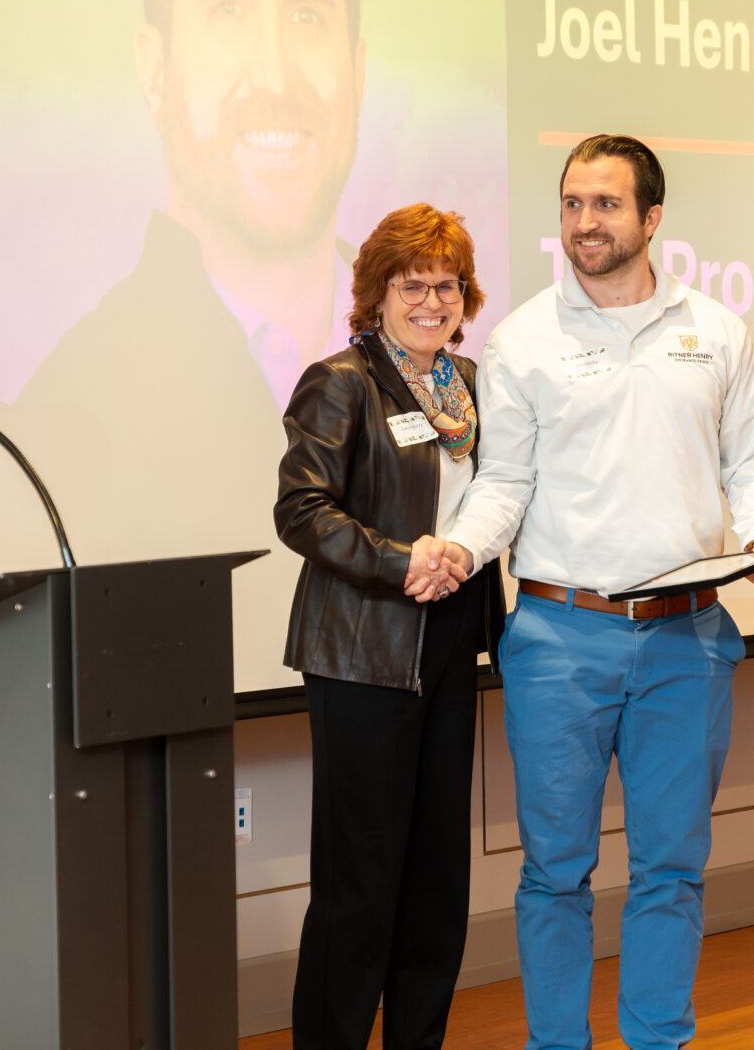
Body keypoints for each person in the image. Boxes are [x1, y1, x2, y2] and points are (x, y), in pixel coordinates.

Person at [0, 0, 369, 677]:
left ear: (358, 64)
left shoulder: (443, 364)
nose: (274, 72)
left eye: (307, 13)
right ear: (155, 72)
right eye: (227, 7)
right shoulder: (66, 426)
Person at [435, 135, 754, 1050]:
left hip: (687, 642)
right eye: (573, 203)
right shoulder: (521, 340)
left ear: (651, 218)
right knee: (554, 872)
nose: (586, 222)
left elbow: (751, 462)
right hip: (559, 638)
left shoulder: (719, 332)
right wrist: (459, 549)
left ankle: (658, 1038)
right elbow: (503, 482)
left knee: (672, 869)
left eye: (607, 204)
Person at [274, 203, 505, 1050]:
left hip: (450, 637)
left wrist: (457, 562)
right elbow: (301, 510)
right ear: (376, 292)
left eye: (447, 286)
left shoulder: (470, 382)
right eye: (413, 285)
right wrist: (402, 559)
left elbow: (495, 497)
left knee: (437, 877)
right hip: (363, 649)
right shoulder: (341, 381)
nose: (431, 302)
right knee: (360, 885)